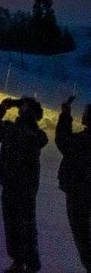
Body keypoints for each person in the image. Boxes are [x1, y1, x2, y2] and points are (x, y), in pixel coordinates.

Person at [0, 95, 48, 273]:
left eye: (22, 106)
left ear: (27, 112)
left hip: (16, 187)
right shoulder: (35, 134)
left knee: (18, 226)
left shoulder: (16, 131)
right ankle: (25, 263)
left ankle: (27, 264)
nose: (19, 108)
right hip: (24, 187)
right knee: (22, 225)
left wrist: (2, 107)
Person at [55, 94, 91, 271]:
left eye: (86, 112)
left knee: (84, 242)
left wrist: (65, 114)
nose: (82, 114)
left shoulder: (83, 141)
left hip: (78, 196)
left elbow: (62, 140)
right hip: (79, 194)